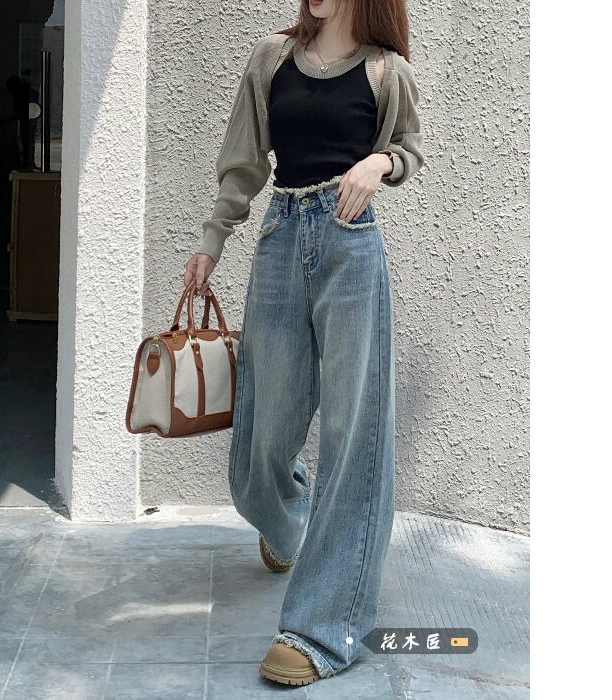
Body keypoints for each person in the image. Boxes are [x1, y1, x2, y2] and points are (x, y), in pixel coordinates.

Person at [184, 0, 423, 685]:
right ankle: (286, 518)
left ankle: (323, 627)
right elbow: (243, 163)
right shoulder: (272, 59)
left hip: (351, 247)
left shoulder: (386, 72)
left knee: (355, 434)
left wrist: (380, 163)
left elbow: (409, 150)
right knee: (262, 430)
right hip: (281, 237)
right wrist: (211, 242)